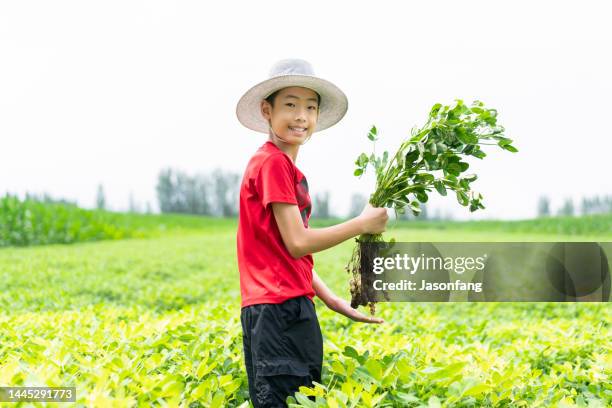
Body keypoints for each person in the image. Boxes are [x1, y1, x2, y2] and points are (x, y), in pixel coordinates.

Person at [235, 58, 389, 407]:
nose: (301, 115)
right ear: (266, 110)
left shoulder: (281, 166)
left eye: (310, 106)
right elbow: (298, 243)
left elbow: (285, 250)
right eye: (290, 104)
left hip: (285, 307)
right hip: (278, 311)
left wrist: (332, 300)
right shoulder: (273, 163)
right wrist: (361, 224)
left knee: (301, 399)